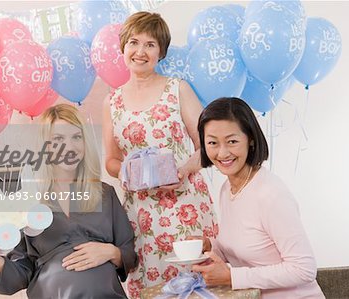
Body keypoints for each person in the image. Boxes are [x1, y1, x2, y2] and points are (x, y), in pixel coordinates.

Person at [102, 11, 217, 298]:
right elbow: (111, 161)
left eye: (150, 44)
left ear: (161, 52)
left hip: (184, 204)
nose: (140, 51)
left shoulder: (177, 89)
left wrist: (183, 171)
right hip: (141, 215)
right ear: (123, 48)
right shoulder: (111, 101)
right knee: (151, 288)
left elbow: (208, 147)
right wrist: (135, 175)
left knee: (195, 283)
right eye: (134, 42)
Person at [0, 104, 138, 299]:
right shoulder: (28, 198)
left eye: (76, 137)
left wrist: (111, 252)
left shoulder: (104, 194)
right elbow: (21, 274)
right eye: (58, 138)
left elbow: (129, 254)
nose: (70, 146)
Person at [190, 97, 324, 298]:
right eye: (212, 143)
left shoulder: (270, 194)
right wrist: (211, 246)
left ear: (250, 139)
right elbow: (243, 251)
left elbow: (304, 268)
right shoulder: (228, 189)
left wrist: (231, 277)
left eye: (232, 141)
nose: (222, 152)